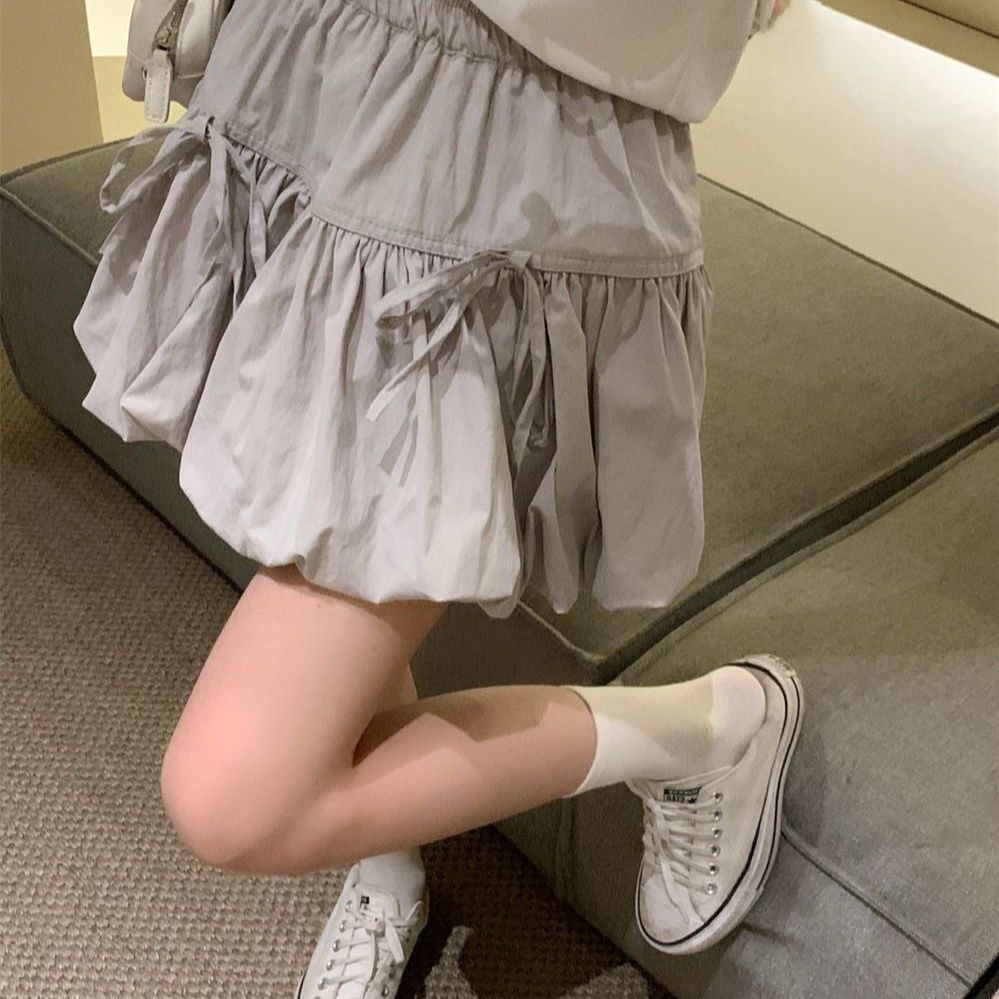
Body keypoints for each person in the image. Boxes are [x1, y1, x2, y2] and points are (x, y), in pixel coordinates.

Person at [72, 0, 802, 994]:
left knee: (235, 801)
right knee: (309, 515)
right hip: (314, 57)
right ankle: (386, 867)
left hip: (495, 134)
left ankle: (711, 729)